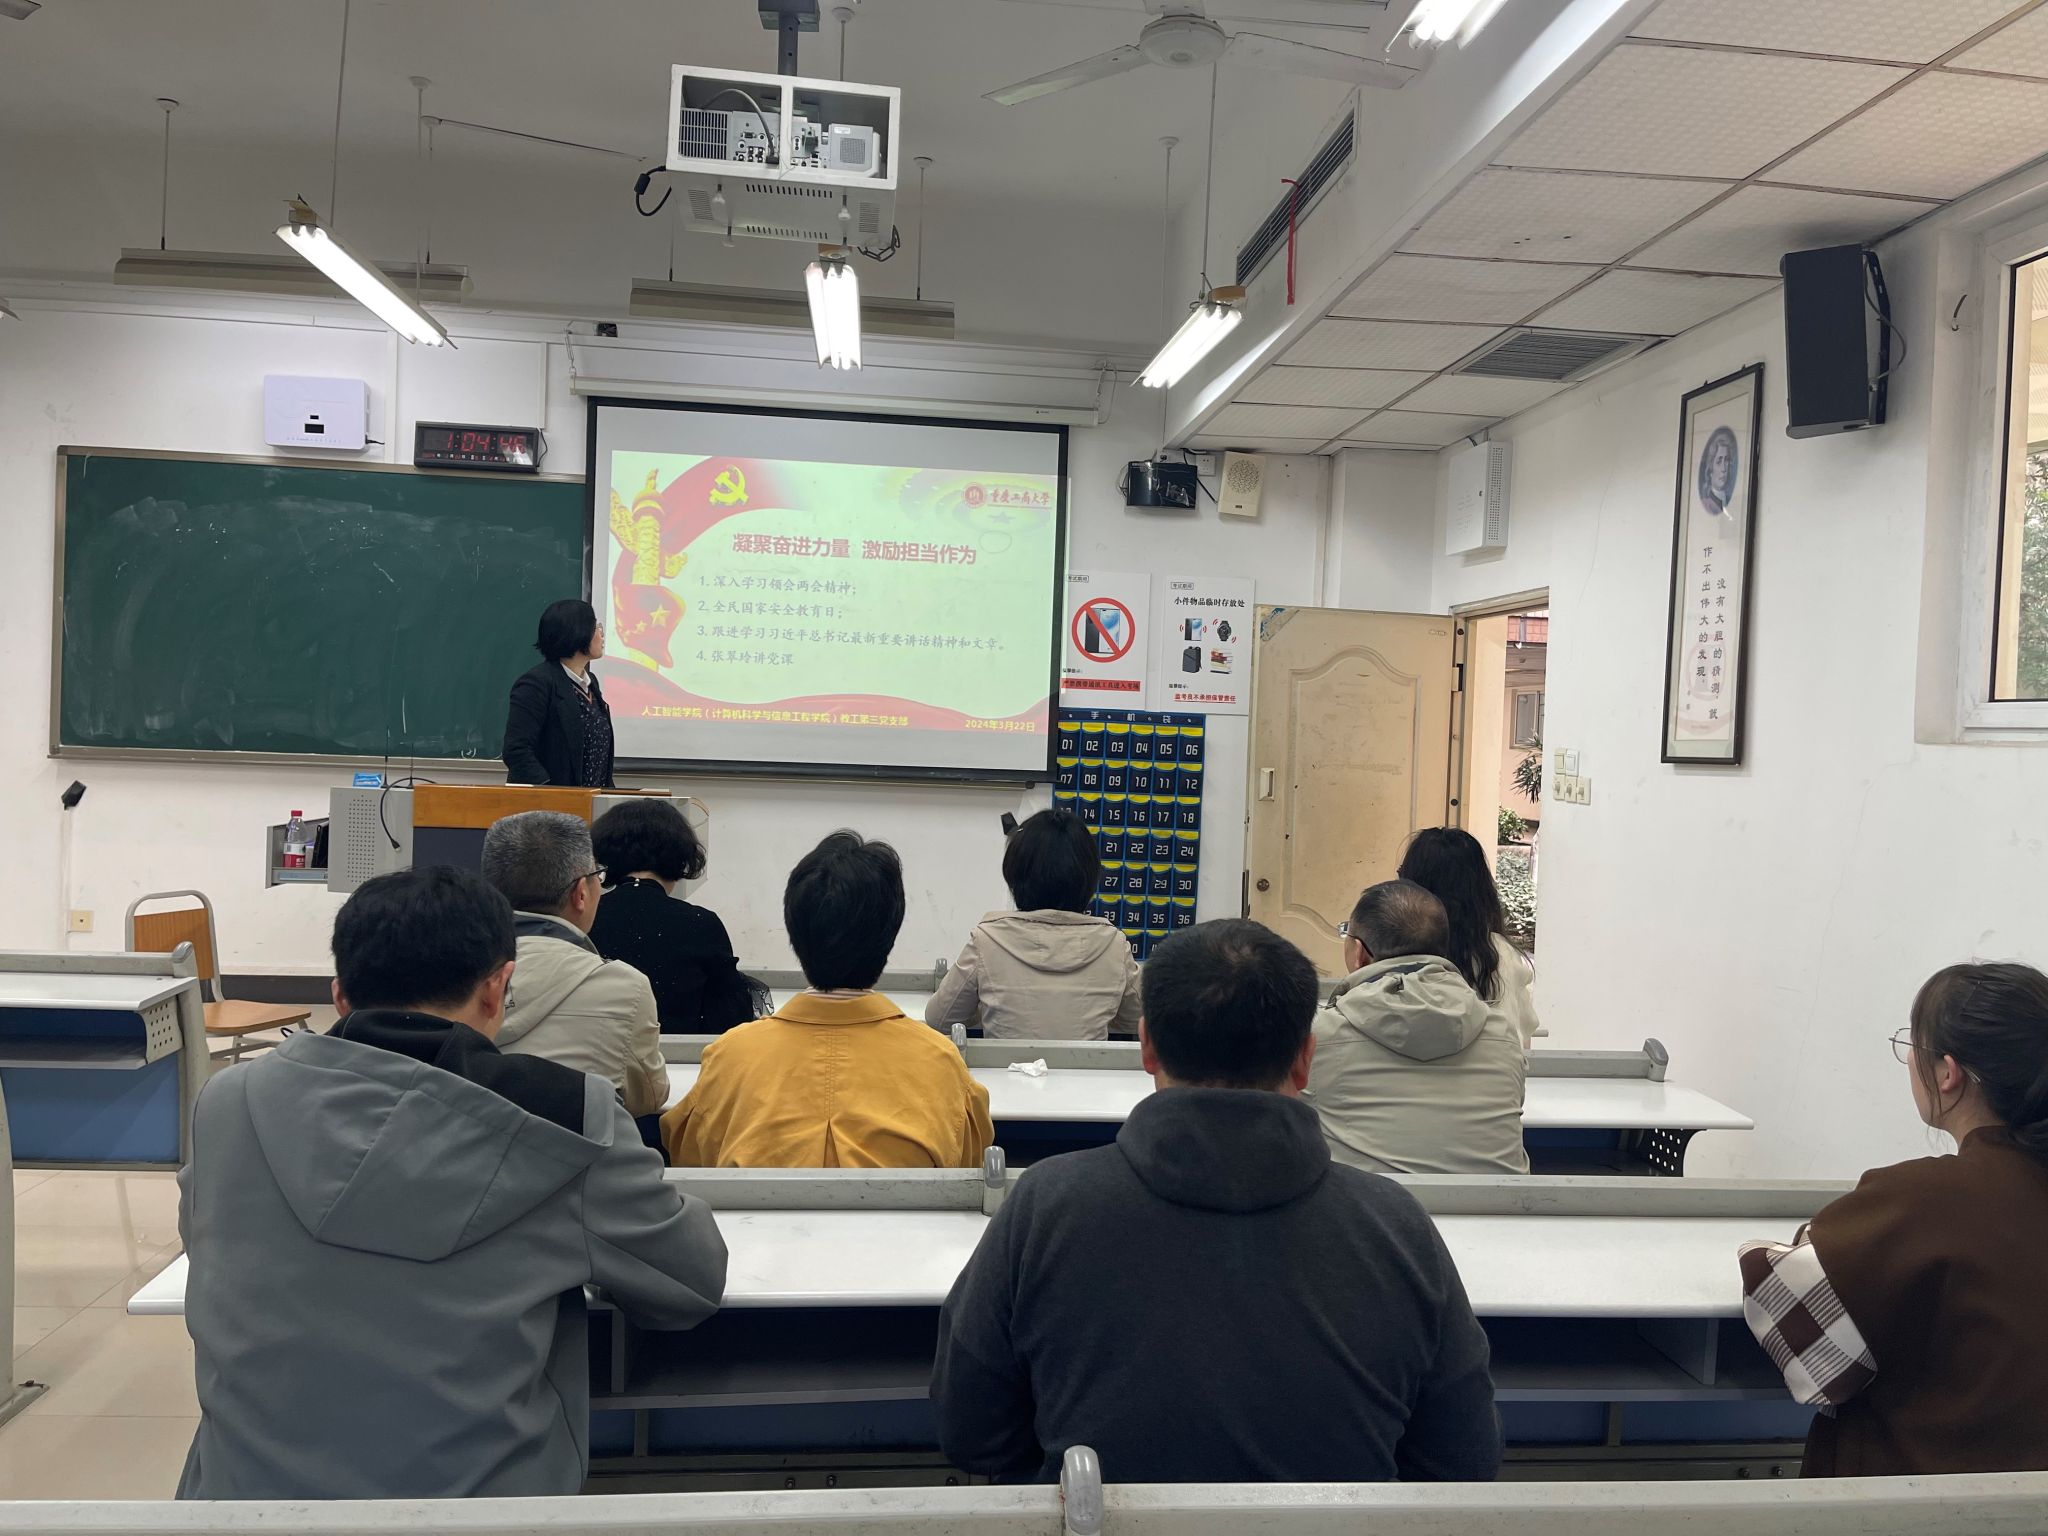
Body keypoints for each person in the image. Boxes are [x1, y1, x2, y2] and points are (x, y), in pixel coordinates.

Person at [177, 867, 726, 1500]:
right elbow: (691, 1281)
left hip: (241, 1507)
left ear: (341, 995)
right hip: (477, 1508)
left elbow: (204, 1241)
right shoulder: (565, 1116)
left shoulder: (228, 1101)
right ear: (498, 988)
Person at [931, 918, 1501, 1484]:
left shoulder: (1045, 1208)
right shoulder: (1397, 1227)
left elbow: (972, 1431)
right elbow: (1462, 1458)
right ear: (1306, 1059)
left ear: (1146, 1045)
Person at [1739, 962, 2048, 1477]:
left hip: (1917, 1503)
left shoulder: (1926, 1199)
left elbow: (1796, 1331)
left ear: (1947, 1073)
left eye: (1913, 1045)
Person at [663, 831, 993, 1168]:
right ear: (890, 935)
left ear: (794, 930)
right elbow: (966, 1172)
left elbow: (692, 1166)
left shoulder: (729, 1058)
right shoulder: (941, 1064)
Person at [1306, 880, 1528, 1176]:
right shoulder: (1503, 1035)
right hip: (1500, 1203)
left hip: (1373, 1205)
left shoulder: (1322, 1037)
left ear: (1359, 953)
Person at [482, 810, 667, 1119]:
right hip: (575, 1149)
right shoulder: (625, 987)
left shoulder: (449, 976)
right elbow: (649, 1097)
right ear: (581, 893)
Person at [927, 809, 1141, 1041]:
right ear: (1090, 876)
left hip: (1004, 1066)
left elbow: (939, 1018)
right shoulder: (1114, 946)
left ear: (1015, 874)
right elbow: (1137, 1020)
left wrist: (988, 1007)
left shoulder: (987, 940)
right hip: (1088, 1066)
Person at [589, 798, 754, 1035]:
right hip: (682, 1056)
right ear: (680, 856)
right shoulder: (701, 923)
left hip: (592, 1053)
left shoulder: (586, 917)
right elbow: (730, 1022)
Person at [1397, 827, 1541, 1049]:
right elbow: (1521, 1035)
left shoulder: (1396, 953)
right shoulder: (1500, 954)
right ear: (1483, 889)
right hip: (1495, 1070)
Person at [504, 597, 614, 787]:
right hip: (551, 801)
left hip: (592, 799)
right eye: (596, 627)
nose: (601, 635)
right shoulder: (536, 684)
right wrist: (552, 793)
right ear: (578, 633)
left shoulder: (591, 683)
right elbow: (517, 750)